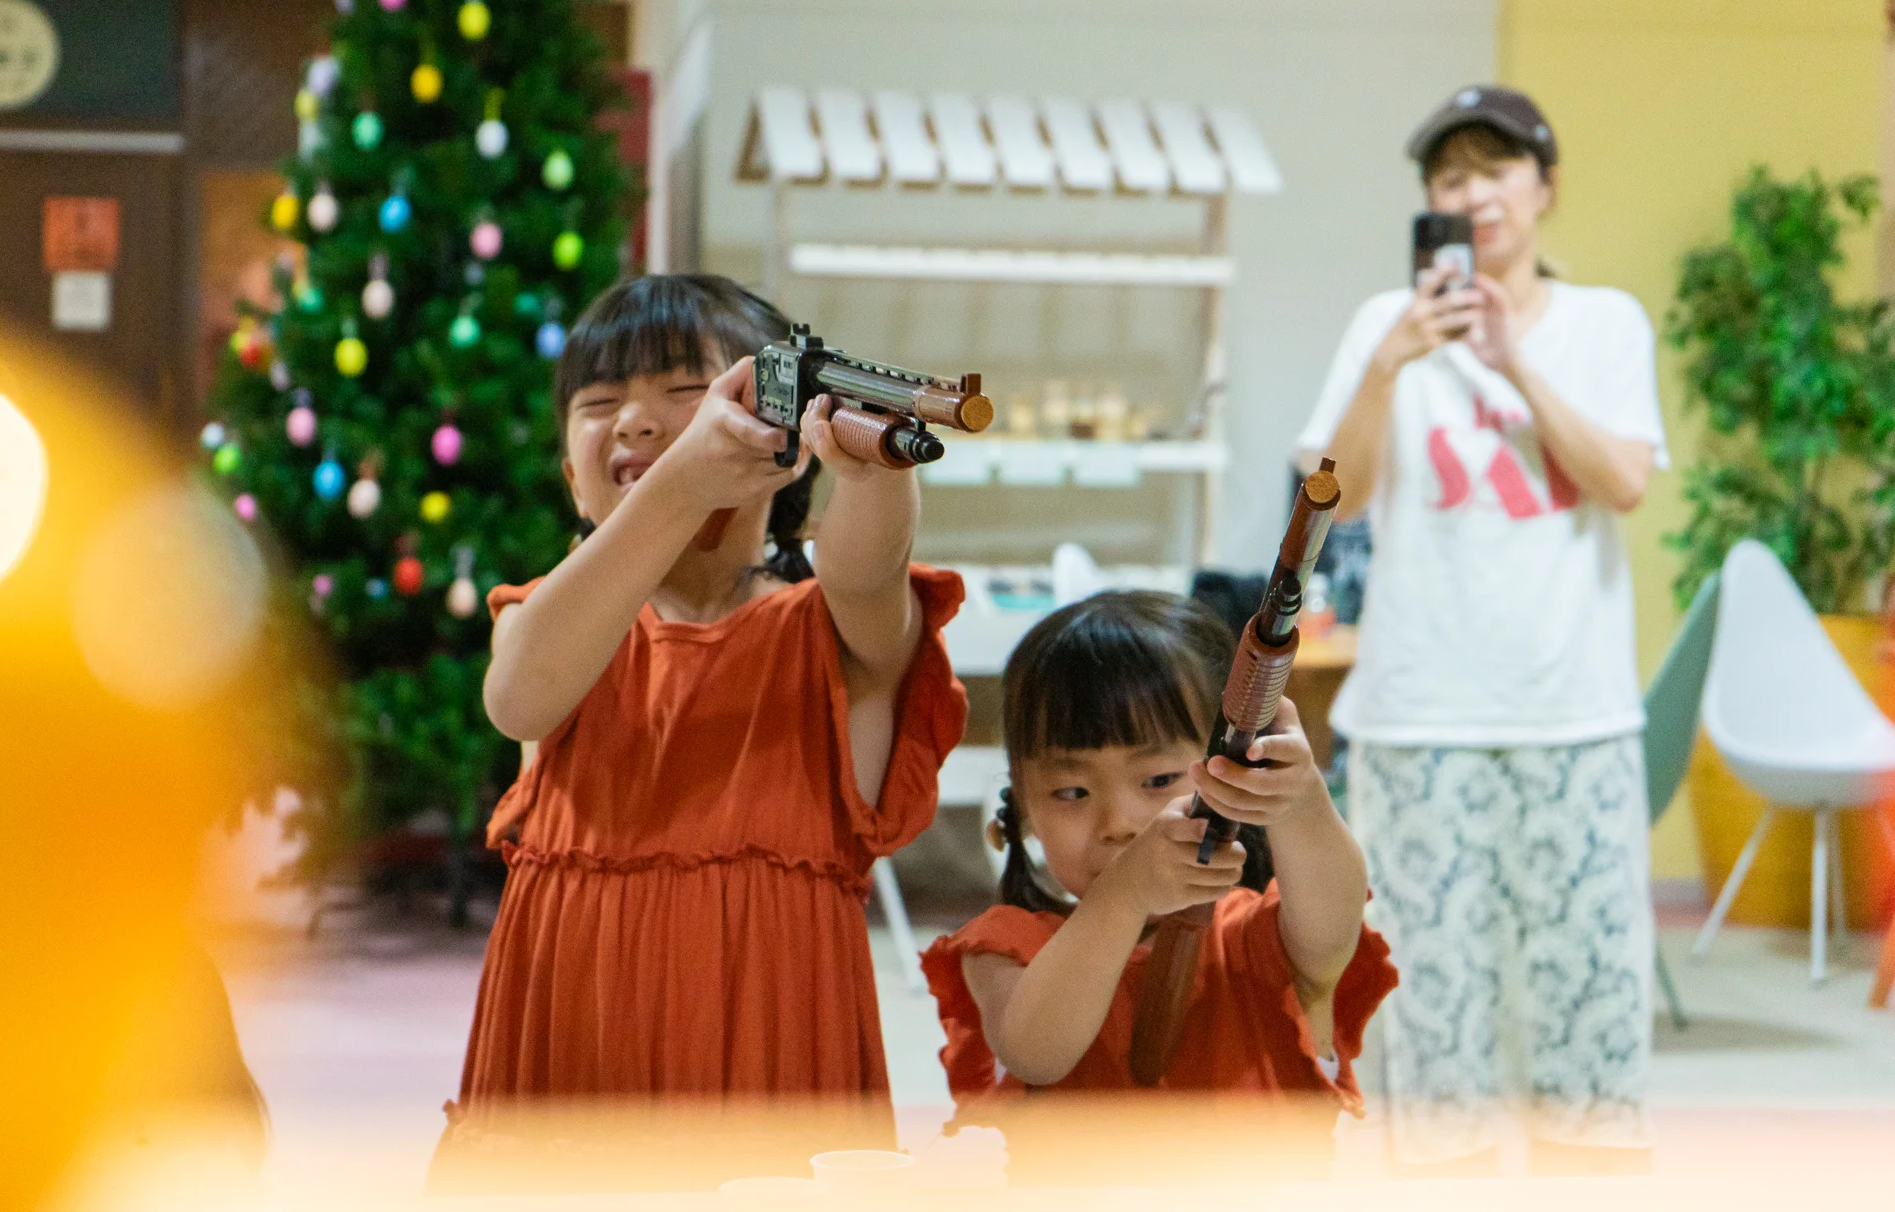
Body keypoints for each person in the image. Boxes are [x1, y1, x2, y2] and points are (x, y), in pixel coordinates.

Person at [434, 275, 965, 1154]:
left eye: (685, 389)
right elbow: (518, 695)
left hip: (769, 1072)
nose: (637, 421)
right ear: (572, 481)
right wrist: (678, 484)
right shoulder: (548, 620)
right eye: (600, 402)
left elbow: (866, 570)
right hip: (576, 1056)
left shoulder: (833, 633)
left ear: (788, 444)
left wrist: (870, 474)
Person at [1294, 86, 1668, 1175]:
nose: (1474, 193)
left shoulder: (1605, 321)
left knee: (1590, 1010)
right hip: (1420, 716)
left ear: (1545, 188)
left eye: (1497, 168)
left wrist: (1513, 363)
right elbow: (1336, 499)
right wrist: (1387, 364)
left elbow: (1623, 481)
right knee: (1428, 1007)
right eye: (1449, 176)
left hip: (1576, 715)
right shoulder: (1385, 324)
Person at [920, 592, 1394, 1169]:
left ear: (1232, 772)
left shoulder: (1260, 938)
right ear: (1022, 810)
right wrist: (1124, 894)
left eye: (1158, 779)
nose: (1118, 823)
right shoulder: (1006, 951)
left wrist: (1300, 800)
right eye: (1072, 792)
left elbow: (1333, 922)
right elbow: (1036, 1052)